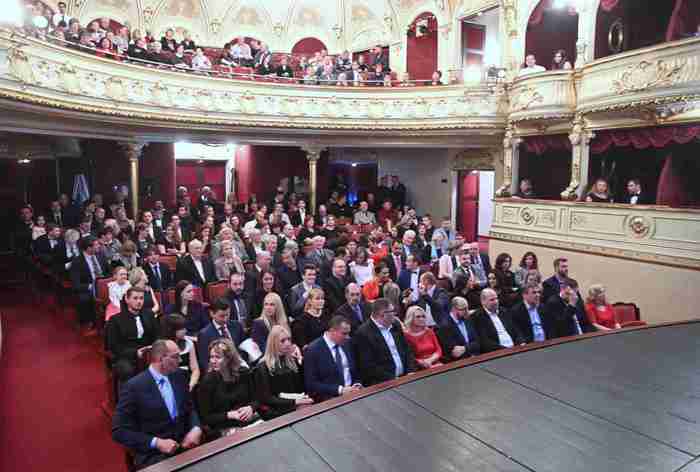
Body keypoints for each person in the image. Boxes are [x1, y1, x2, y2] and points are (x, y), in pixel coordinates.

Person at [112, 339, 202, 469]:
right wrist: (157, 443)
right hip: (155, 455)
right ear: (161, 358)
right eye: (175, 357)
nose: (180, 360)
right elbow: (119, 431)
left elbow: (190, 407)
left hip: (186, 446)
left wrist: (196, 428)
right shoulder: (133, 387)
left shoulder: (180, 376)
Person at [197, 338, 259, 438]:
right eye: (211, 357)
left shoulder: (243, 373)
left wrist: (251, 407)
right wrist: (229, 415)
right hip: (225, 426)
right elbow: (206, 418)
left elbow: (257, 398)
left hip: (249, 420)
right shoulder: (207, 382)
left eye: (218, 357)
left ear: (229, 358)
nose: (213, 361)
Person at [353, 298, 416, 386]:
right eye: (392, 311)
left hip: (406, 378)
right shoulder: (363, 333)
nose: (395, 313)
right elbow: (368, 366)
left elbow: (407, 349)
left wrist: (410, 371)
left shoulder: (395, 325)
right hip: (384, 384)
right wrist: (392, 379)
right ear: (383, 314)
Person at [255, 326, 313, 419]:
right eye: (282, 341)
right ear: (273, 344)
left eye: (289, 339)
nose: (287, 343)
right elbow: (266, 398)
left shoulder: (293, 361)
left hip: (297, 403)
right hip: (277, 410)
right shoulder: (263, 367)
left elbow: (302, 387)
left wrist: (301, 362)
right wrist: (295, 402)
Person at [106, 288, 159, 383]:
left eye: (141, 298)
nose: (139, 301)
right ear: (127, 299)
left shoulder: (149, 314)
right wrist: (135, 353)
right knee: (127, 370)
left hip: (148, 352)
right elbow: (114, 346)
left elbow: (157, 335)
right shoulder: (115, 320)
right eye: (135, 298)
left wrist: (153, 348)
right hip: (126, 355)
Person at [303, 316, 362, 402]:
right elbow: (311, 384)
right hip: (330, 400)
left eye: (348, 333)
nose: (347, 337)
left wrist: (357, 384)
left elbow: (356, 370)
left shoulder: (348, 343)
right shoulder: (313, 350)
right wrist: (340, 390)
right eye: (344, 333)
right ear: (332, 331)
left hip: (354, 395)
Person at [196, 298, 246, 372]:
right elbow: (205, 362)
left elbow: (244, 349)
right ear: (212, 314)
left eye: (227, 315)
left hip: (241, 368)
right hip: (219, 372)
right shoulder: (204, 334)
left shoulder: (237, 326)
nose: (225, 319)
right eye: (222, 316)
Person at [71, 236, 107, 334]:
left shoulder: (101, 255)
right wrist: (92, 286)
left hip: (104, 285)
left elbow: (108, 271)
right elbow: (76, 284)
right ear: (88, 248)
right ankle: (89, 322)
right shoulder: (77, 262)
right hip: (89, 287)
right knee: (84, 299)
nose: (99, 246)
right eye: (96, 245)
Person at [472, 288, 525, 352]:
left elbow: (516, 330)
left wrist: (521, 342)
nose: (496, 302)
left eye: (496, 298)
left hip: (515, 348)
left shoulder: (504, 311)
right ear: (483, 302)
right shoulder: (477, 317)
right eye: (492, 300)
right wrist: (506, 350)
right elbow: (485, 342)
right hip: (498, 352)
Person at [161, 314, 201, 391]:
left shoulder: (188, 343)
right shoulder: (162, 345)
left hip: (187, 380)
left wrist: (191, 384)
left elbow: (195, 369)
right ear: (172, 330)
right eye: (181, 329)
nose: (185, 331)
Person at [437, 296, 481, 363]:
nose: (467, 312)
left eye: (467, 308)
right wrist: (470, 348)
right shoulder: (444, 326)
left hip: (477, 357)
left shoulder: (468, 319)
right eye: (463, 309)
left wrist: (465, 348)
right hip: (460, 362)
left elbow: (478, 343)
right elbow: (454, 353)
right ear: (454, 309)